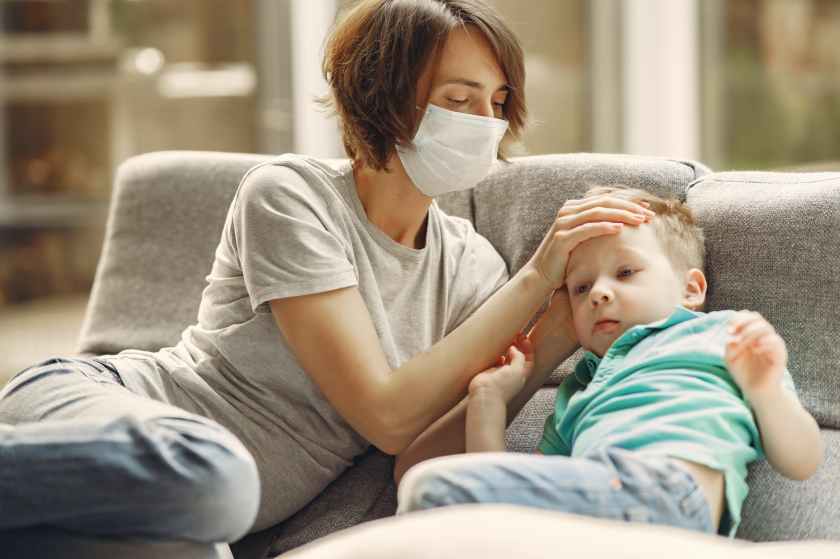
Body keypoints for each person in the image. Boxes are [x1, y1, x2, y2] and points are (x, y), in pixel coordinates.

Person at [0, 0, 653, 550]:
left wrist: (550, 342)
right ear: (385, 97)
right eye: (459, 99)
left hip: (198, 514)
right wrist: (538, 276)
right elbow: (385, 414)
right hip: (110, 412)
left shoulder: (474, 269)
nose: (484, 124)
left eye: (497, 101)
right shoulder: (290, 196)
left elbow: (417, 458)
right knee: (217, 476)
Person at [396, 186, 824, 537]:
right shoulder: (580, 389)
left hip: (665, 494)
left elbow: (802, 461)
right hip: (600, 518)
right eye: (581, 288)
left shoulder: (724, 336)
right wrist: (488, 398)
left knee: (430, 490)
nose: (599, 293)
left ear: (691, 289)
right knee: (451, 510)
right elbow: (502, 503)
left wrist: (764, 390)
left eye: (624, 273)